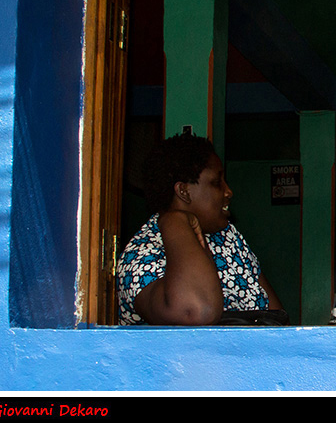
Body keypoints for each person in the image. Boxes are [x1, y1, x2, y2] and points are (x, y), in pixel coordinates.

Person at [116, 132, 282, 325]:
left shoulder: (226, 237)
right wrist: (175, 220)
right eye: (216, 182)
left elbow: (277, 317)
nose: (228, 192)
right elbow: (196, 312)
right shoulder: (140, 257)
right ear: (183, 192)